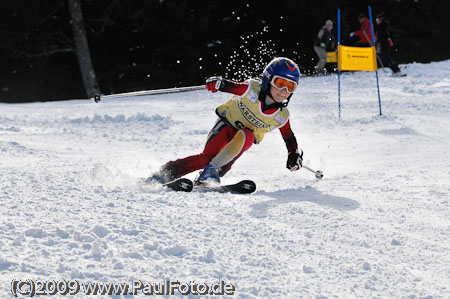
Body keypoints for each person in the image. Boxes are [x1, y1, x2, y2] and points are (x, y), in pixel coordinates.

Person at [146, 57, 304, 186]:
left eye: (291, 87)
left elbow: (289, 136)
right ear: (268, 80)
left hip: (240, 143)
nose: (284, 91)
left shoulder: (281, 115)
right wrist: (219, 84)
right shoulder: (252, 90)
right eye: (280, 84)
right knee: (206, 158)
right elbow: (234, 87)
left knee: (240, 145)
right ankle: (163, 174)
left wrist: (293, 154)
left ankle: (208, 176)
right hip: (226, 127)